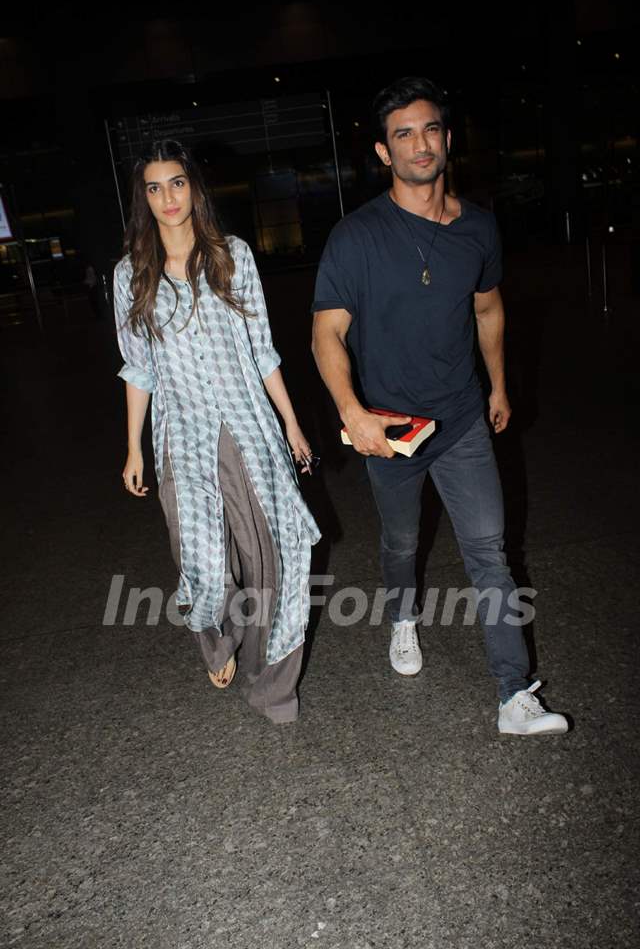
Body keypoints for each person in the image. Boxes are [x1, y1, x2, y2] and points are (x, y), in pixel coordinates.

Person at [311, 77, 567, 735]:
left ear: (448, 140)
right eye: (403, 134)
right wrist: (353, 411)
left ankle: (515, 696)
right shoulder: (356, 236)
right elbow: (327, 333)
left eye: (429, 130)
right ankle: (402, 618)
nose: (419, 144)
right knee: (401, 543)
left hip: (461, 421)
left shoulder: (479, 227)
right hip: (391, 430)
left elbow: (488, 307)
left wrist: (499, 385)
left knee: (490, 552)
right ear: (382, 152)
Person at [114, 139, 320, 724]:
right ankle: (216, 636)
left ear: (194, 188)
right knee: (199, 554)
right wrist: (133, 447)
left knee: (270, 557)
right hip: (182, 432)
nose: (167, 197)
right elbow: (138, 367)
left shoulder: (232, 257)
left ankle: (273, 684)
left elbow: (262, 350)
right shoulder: (129, 275)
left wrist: (292, 422)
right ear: (143, 199)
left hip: (249, 427)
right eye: (154, 187)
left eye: (176, 183)